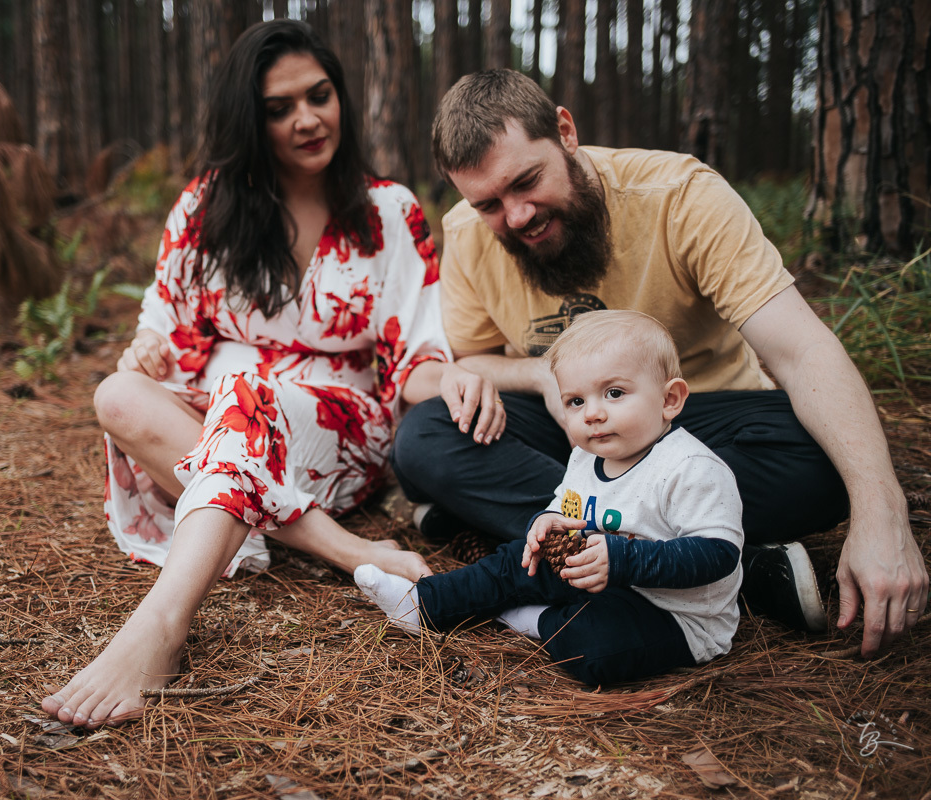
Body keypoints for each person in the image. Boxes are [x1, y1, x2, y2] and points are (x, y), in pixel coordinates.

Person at [41, 20, 501, 729]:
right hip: (224, 413)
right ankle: (346, 550)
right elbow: (162, 321)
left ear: (339, 95)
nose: (307, 119)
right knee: (117, 395)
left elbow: (416, 353)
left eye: (319, 96)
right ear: (250, 121)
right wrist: (146, 350)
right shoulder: (206, 206)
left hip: (339, 425)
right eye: (279, 108)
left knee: (245, 397)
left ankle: (162, 624)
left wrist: (453, 379)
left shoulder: (388, 210)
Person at [391, 69, 927, 658]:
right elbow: (475, 359)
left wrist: (882, 511)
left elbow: (803, 352)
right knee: (426, 434)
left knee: (821, 454)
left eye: (527, 182)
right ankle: (726, 565)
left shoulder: (680, 196)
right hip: (574, 429)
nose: (516, 216)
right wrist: (539, 376)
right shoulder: (468, 233)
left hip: (693, 429)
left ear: (566, 132)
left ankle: (545, 536)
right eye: (489, 204)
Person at [357, 310, 744, 685]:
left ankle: (535, 619)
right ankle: (423, 603)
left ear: (669, 399)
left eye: (614, 393)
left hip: (672, 613)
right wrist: (545, 521)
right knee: (514, 561)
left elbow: (718, 554)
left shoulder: (689, 468)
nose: (592, 414)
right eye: (576, 401)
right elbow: (564, 506)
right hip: (591, 575)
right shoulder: (586, 457)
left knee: (596, 649)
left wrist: (624, 560)